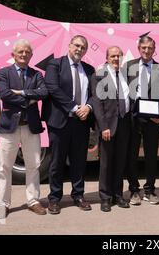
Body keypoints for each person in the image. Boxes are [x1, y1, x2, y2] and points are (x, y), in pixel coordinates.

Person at [42, 35, 95, 214]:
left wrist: (88, 107)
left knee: (79, 161)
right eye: (77, 45)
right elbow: (52, 88)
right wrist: (74, 107)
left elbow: (94, 94)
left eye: (83, 47)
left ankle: (78, 195)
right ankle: (55, 199)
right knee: (57, 161)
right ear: (70, 45)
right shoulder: (55, 64)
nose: (79, 49)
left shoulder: (89, 69)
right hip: (60, 121)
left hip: (81, 122)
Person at [0, 39, 48, 218]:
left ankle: (33, 201)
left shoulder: (36, 74)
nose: (24, 54)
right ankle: (3, 204)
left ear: (31, 55)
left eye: (27, 52)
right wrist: (29, 100)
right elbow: (4, 94)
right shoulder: (3, 73)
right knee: (4, 167)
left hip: (30, 127)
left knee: (34, 165)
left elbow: (43, 92)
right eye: (20, 51)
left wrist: (21, 93)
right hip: (9, 127)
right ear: (13, 54)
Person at [124, 36, 159, 206]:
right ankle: (134, 190)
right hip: (133, 117)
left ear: (154, 49)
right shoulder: (129, 67)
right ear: (139, 49)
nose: (147, 51)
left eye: (150, 48)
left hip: (153, 118)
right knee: (131, 155)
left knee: (151, 155)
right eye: (144, 48)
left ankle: (150, 190)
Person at [91, 46, 131, 212]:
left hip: (124, 124)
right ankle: (105, 198)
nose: (116, 59)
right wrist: (103, 127)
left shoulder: (125, 74)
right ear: (107, 57)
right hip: (108, 126)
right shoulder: (99, 76)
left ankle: (118, 195)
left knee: (120, 162)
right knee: (106, 163)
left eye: (118, 56)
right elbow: (97, 104)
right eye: (113, 56)